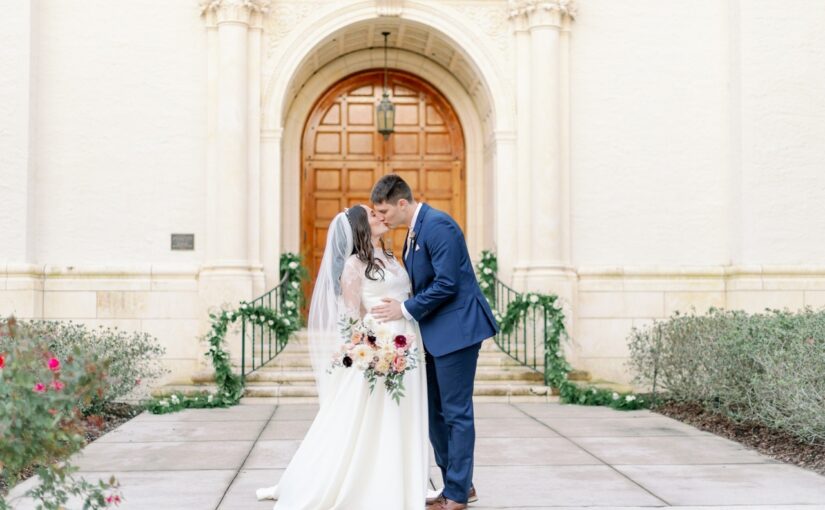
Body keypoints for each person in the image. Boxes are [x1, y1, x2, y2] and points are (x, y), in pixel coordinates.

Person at [255, 204, 428, 509]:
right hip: (381, 349)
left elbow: (405, 294)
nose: (381, 216)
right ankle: (374, 484)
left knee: (401, 413)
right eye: (373, 215)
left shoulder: (390, 256)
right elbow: (350, 316)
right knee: (374, 419)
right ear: (362, 226)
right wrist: (370, 351)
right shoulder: (354, 265)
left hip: (408, 342)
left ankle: (404, 479)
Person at [370, 174, 499, 510]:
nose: (380, 217)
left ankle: (456, 495)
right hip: (431, 335)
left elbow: (447, 284)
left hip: (457, 332)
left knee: (456, 413)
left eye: (383, 211)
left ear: (402, 203)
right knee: (435, 414)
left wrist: (404, 308)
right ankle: (458, 484)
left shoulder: (439, 226)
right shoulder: (413, 231)